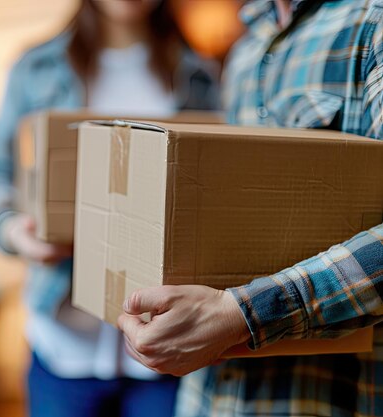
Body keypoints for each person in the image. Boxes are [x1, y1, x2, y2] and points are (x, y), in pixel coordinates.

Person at [117, 0, 383, 415]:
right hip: (212, 398)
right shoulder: (248, 45)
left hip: (328, 398)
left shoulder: (372, 21)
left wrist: (243, 315)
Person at [0, 1, 219, 416]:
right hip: (64, 340)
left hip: (165, 348)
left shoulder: (199, 74)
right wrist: (16, 231)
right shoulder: (37, 67)